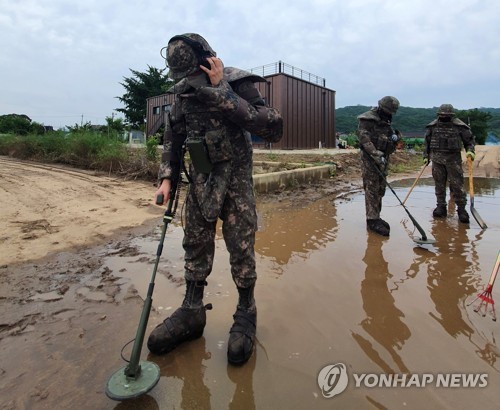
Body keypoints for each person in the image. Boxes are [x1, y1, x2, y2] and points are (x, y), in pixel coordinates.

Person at [147, 33, 283, 365]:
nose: (189, 84)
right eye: (184, 79)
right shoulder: (181, 93)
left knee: (241, 246)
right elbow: (173, 135)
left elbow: (273, 127)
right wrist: (167, 178)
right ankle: (192, 311)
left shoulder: (238, 83)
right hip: (202, 181)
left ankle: (246, 311)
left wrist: (222, 93)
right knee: (194, 241)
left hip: (235, 183)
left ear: (210, 62)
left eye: (194, 77)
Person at [423, 104, 475, 223]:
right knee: (439, 185)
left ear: (451, 116)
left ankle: (461, 209)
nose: (444, 117)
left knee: (457, 185)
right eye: (442, 115)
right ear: (439, 115)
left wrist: (470, 152)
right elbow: (427, 142)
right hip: (437, 160)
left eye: (447, 116)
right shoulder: (433, 127)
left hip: (453, 160)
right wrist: (426, 156)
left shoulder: (460, 126)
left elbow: (469, 141)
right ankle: (441, 207)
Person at [357, 96, 401, 237]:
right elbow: (364, 138)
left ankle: (377, 216)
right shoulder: (367, 119)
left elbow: (387, 135)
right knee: (372, 188)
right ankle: (372, 221)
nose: (389, 114)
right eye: (387, 111)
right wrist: (375, 154)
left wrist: (395, 137)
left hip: (383, 158)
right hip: (370, 158)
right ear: (381, 107)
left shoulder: (387, 120)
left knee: (381, 188)